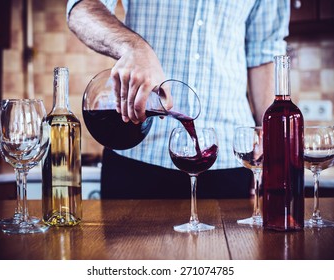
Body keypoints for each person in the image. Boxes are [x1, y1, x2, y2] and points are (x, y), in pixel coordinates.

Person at [67, 0, 290, 199]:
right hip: (137, 157)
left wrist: (271, 136)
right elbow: (80, 8)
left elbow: (264, 50)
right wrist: (134, 48)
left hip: (229, 162)